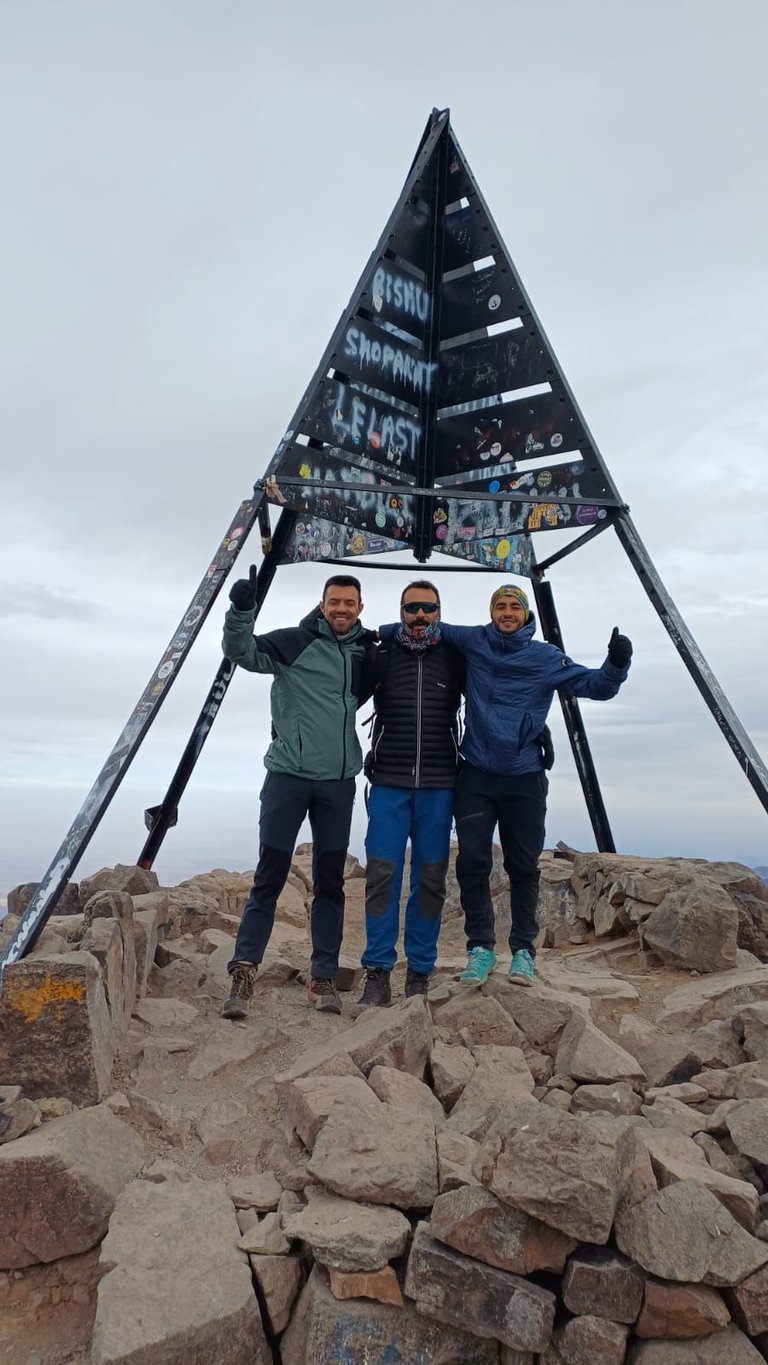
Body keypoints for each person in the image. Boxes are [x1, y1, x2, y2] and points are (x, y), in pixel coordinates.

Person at [383, 584, 632, 989]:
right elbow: (423, 623)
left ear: (526, 614)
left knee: (522, 867)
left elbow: (595, 686)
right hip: (477, 774)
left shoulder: (545, 657)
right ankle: (480, 949)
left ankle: (522, 953)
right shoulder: (474, 639)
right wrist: (368, 630)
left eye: (515, 606)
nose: (507, 612)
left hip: (525, 778)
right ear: (492, 611)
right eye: (500, 605)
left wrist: (617, 664)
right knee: (472, 864)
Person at [220, 569, 376, 1019]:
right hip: (287, 776)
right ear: (323, 603)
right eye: (335, 601)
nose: (342, 609)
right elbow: (240, 651)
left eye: (350, 603)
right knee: (269, 874)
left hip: (337, 782)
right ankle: (244, 973)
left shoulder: (367, 651)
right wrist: (241, 610)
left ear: (359, 608)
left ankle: (323, 976)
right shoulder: (294, 641)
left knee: (330, 881)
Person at [358, 581, 464, 1007]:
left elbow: (496, 690)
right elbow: (340, 694)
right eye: (411, 608)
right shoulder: (380, 654)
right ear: (400, 611)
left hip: (440, 784)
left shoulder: (456, 655)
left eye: (428, 607)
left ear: (439, 610)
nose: (420, 615)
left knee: (430, 879)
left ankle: (420, 971)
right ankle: (377, 973)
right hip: (388, 782)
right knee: (382, 876)